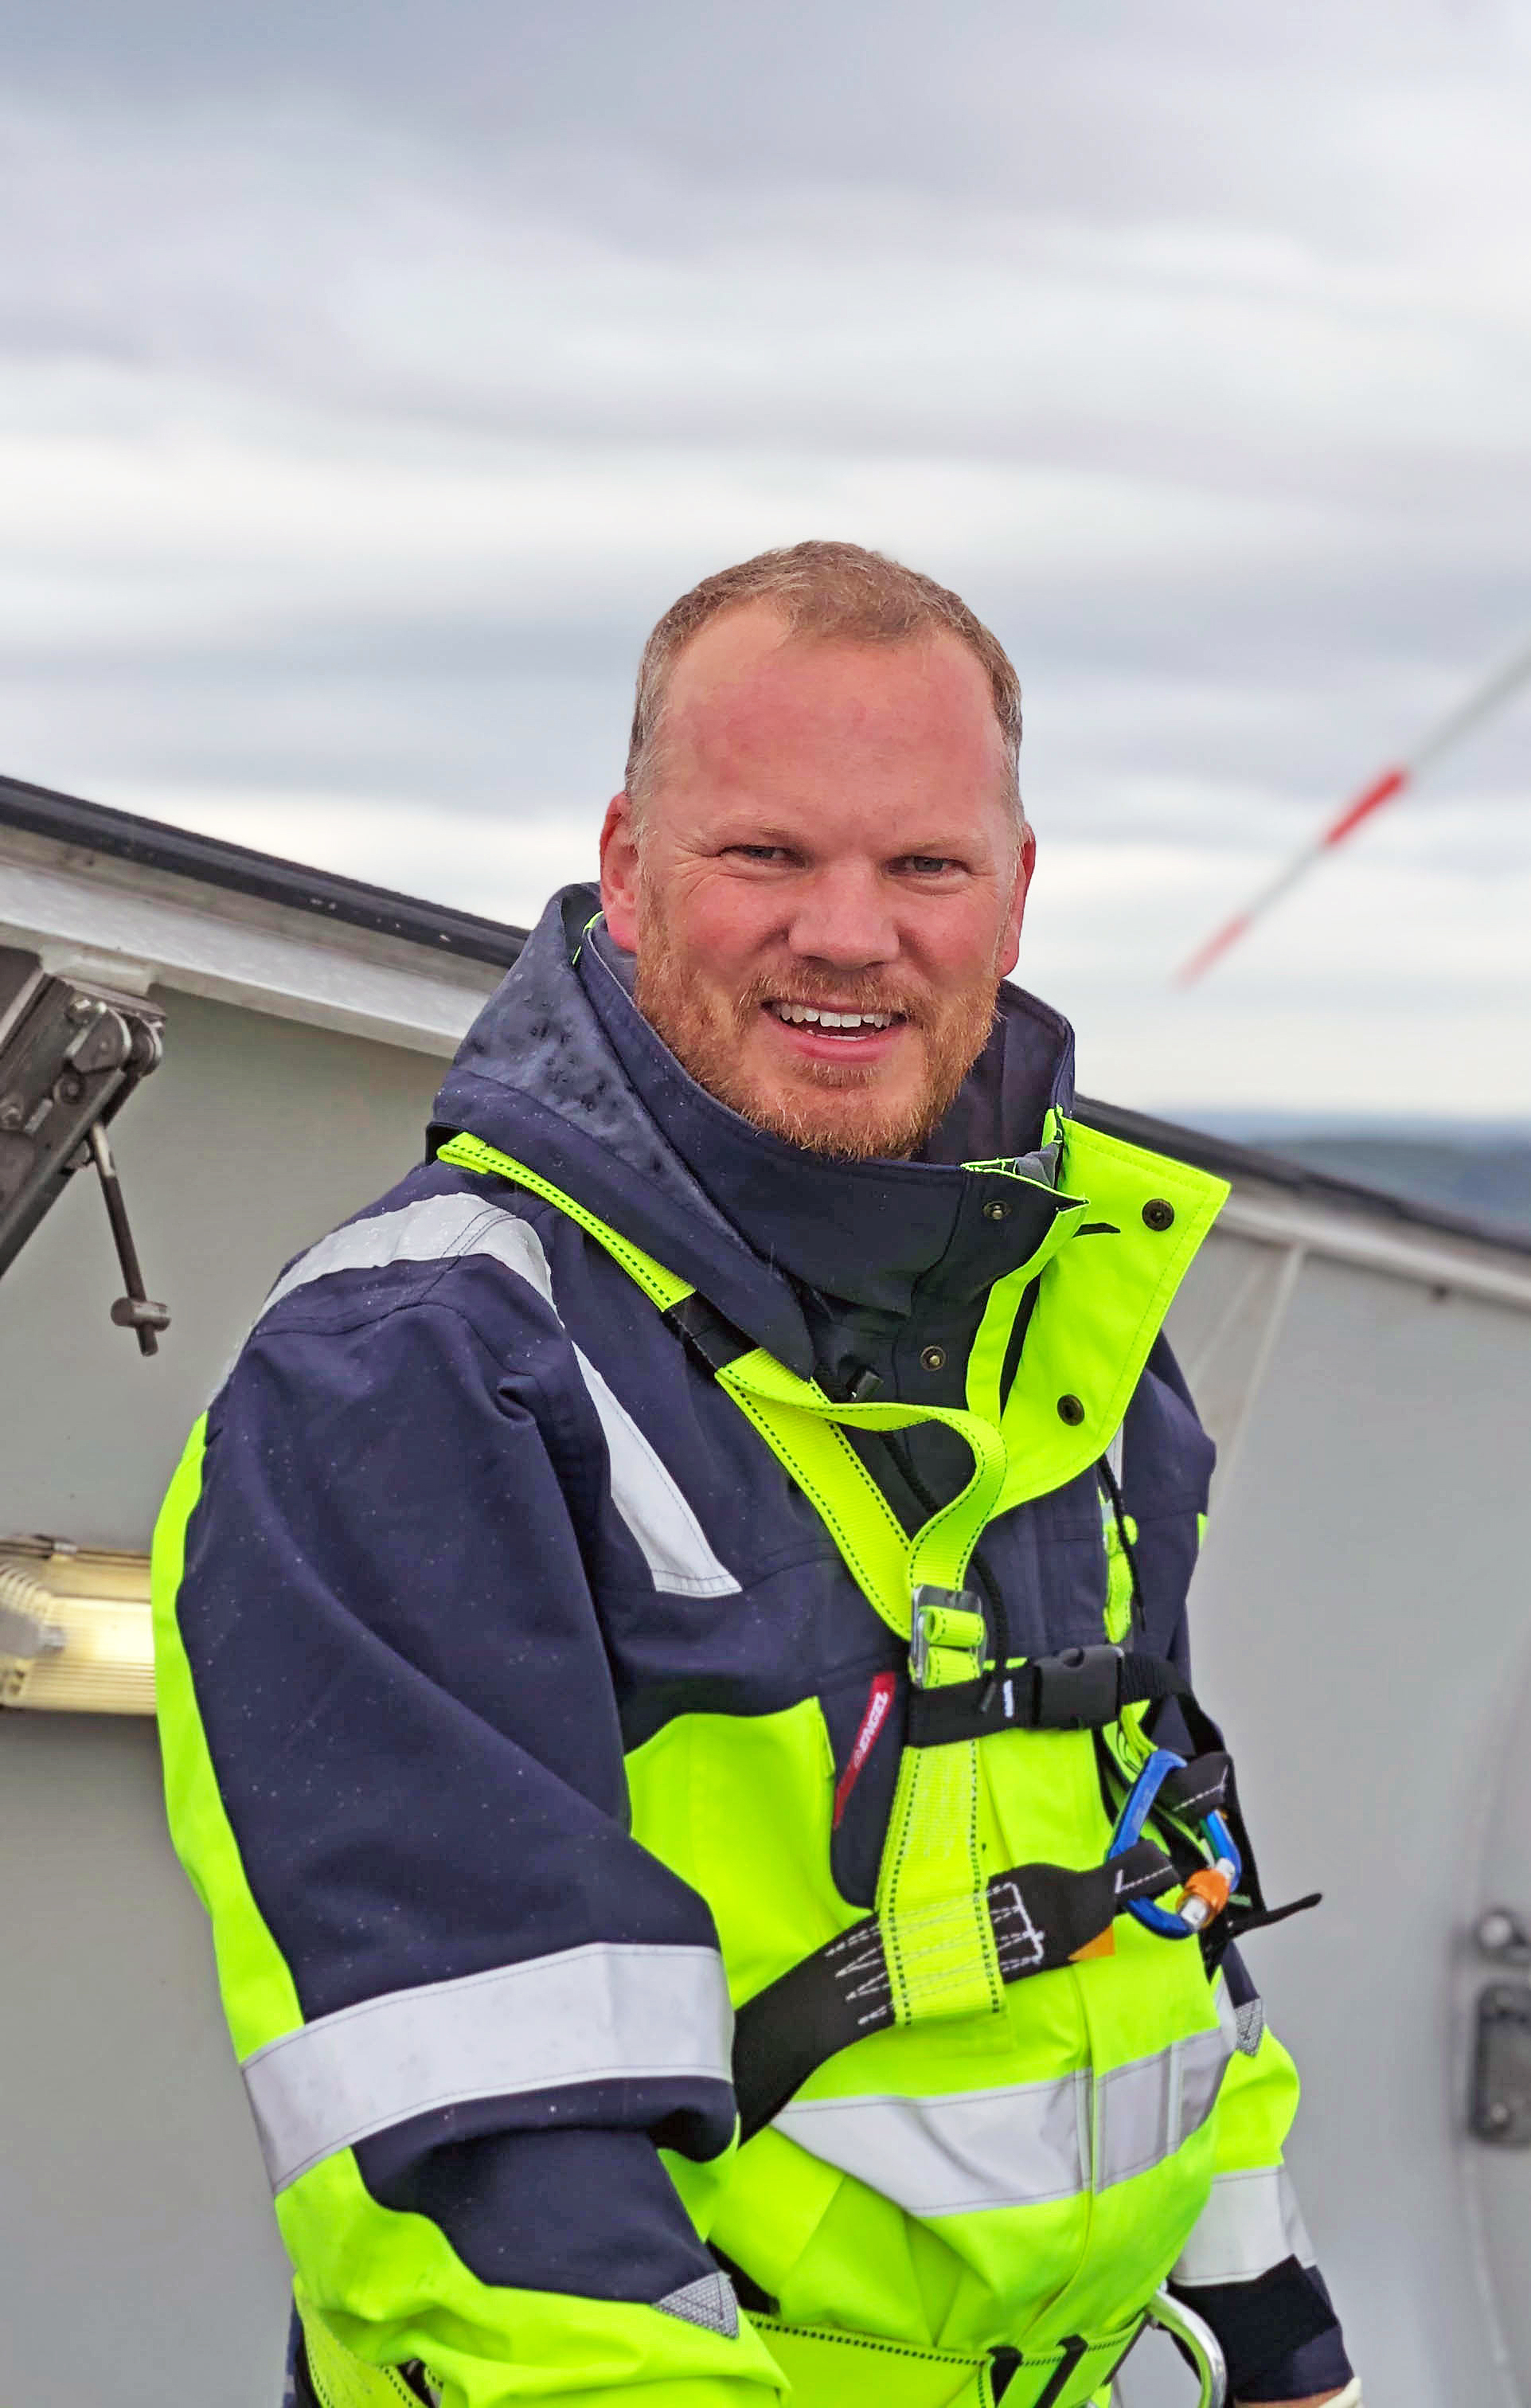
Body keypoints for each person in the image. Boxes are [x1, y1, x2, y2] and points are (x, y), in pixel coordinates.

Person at [154, 543, 1355, 2408]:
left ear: (1016, 897)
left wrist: (1276, 2335)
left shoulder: (1073, 1336)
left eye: (924, 866)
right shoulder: (424, 1367)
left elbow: (1150, 1907)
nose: (850, 933)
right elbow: (490, 2171)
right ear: (629, 870)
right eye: (767, 856)